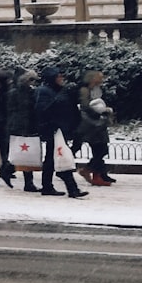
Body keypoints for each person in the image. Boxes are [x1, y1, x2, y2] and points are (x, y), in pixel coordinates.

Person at [34, 66, 87, 198]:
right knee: (60, 155)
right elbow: (43, 110)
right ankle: (71, 188)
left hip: (60, 128)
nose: (61, 78)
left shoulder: (58, 90)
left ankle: (48, 186)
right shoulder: (44, 91)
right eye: (58, 76)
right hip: (52, 128)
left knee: (52, 158)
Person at [5, 67, 41, 193]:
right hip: (20, 125)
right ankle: (8, 171)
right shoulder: (15, 92)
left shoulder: (31, 92)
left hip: (28, 125)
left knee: (27, 153)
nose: (33, 83)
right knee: (21, 152)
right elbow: (13, 110)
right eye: (31, 80)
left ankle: (28, 182)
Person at [79, 69, 116, 186]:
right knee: (99, 149)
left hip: (99, 124)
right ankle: (92, 173)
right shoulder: (85, 91)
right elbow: (86, 106)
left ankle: (99, 174)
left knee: (102, 149)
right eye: (99, 77)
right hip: (91, 124)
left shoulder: (97, 90)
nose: (102, 79)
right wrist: (99, 112)